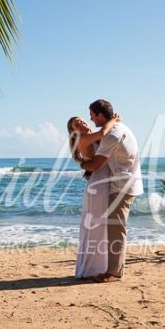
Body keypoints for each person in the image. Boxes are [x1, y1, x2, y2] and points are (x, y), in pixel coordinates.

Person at [80, 99, 143, 282]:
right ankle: (112, 268)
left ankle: (114, 272)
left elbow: (96, 164)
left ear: (101, 115)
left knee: (116, 228)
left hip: (122, 185)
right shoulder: (118, 128)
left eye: (92, 115)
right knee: (115, 227)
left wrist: (82, 164)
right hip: (125, 183)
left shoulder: (113, 134)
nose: (91, 119)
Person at [67, 113, 119, 279]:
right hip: (98, 183)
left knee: (102, 224)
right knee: (96, 224)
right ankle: (92, 268)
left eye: (82, 120)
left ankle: (101, 265)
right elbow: (103, 132)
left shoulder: (93, 138)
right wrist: (113, 120)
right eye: (77, 124)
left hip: (103, 180)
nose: (82, 123)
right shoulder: (83, 139)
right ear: (74, 132)